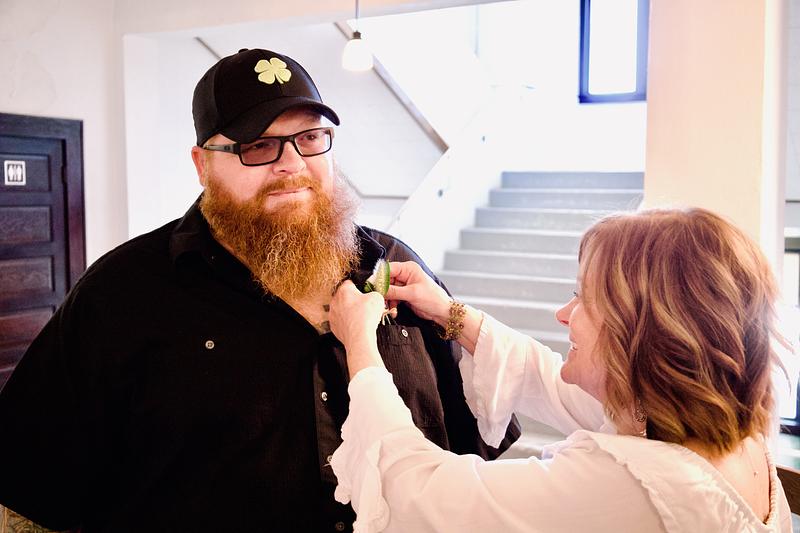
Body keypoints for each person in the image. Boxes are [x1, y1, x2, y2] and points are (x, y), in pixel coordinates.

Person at [0, 48, 519, 533]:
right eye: (257, 146)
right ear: (202, 164)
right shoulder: (121, 294)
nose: (291, 164)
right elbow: (31, 494)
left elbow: (473, 447)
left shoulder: (396, 266)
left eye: (310, 138)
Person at [327, 207, 794, 532]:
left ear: (643, 332)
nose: (563, 314)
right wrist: (449, 313)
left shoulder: (633, 489)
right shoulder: (721, 433)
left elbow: (417, 494)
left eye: (584, 297)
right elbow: (548, 379)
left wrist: (360, 343)